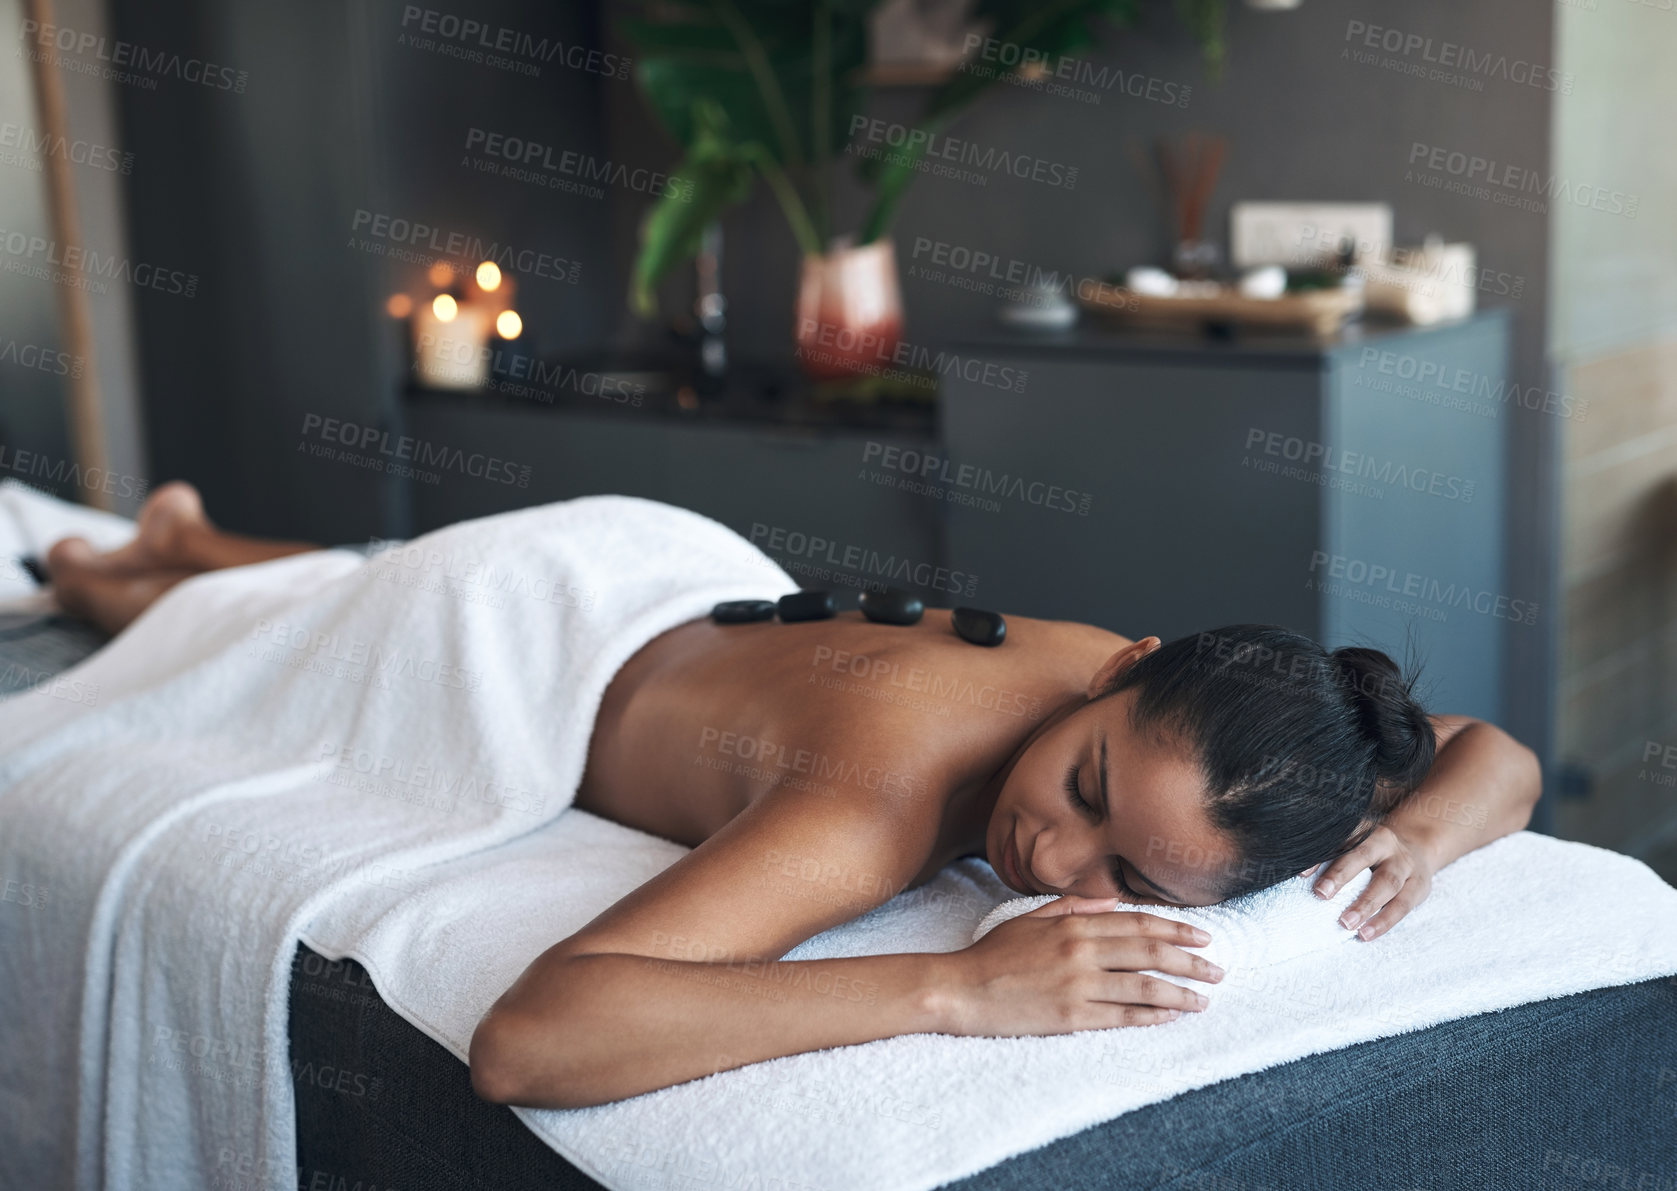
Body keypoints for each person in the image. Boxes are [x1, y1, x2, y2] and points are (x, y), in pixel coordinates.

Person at [38, 482, 1542, 1110]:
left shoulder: (1236, 728)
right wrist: (958, 989)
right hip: (518, 630)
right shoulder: (875, 807)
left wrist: (1409, 835)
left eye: (1131, 882)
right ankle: (120, 565)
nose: (1046, 852)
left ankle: (180, 537)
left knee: (329, 588)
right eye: (1082, 789)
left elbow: (1482, 752)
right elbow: (534, 1041)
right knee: (267, 634)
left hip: (681, 577)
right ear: (1119, 673)